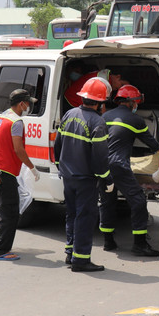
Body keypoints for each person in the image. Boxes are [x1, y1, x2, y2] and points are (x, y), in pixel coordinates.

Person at [55, 77, 113, 272]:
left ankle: (70, 253)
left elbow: (58, 144)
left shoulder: (69, 114)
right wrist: (106, 178)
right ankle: (81, 260)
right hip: (85, 179)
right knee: (85, 217)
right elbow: (100, 156)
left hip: (68, 175)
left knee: (71, 214)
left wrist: (59, 165)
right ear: (100, 102)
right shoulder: (98, 122)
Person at [100, 85, 159, 256]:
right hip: (118, 165)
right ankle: (140, 244)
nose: (137, 105)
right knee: (138, 201)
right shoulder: (134, 120)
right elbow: (151, 143)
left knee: (108, 202)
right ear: (131, 102)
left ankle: (108, 242)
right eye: (136, 102)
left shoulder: (105, 116)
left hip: (101, 165)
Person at [0, 89, 41, 261]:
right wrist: (32, 168)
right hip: (5, 171)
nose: (29, 106)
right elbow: (19, 149)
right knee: (11, 212)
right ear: (21, 104)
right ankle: (1, 251)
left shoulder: (2, 117)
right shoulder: (16, 122)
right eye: (28, 103)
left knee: (5, 207)